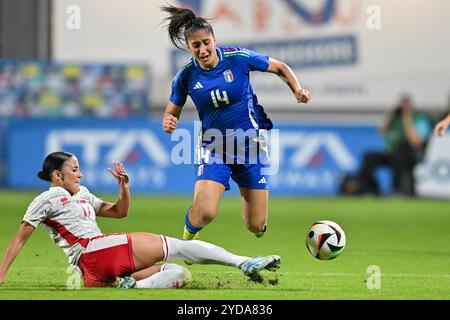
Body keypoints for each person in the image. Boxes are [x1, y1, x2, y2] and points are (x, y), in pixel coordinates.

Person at [0, 151, 281, 288]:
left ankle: (133, 285)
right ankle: (244, 262)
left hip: (97, 268)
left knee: (178, 273)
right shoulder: (45, 199)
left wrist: (124, 190)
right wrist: (1, 274)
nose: (80, 174)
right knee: (178, 246)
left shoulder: (82, 193)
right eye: (74, 169)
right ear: (57, 176)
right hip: (91, 251)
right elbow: (20, 237)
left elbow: (119, 213)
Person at [161, 5, 311, 244]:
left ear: (214, 40)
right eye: (196, 45)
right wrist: (169, 121)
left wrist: (297, 90)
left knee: (256, 225)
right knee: (206, 212)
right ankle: (188, 237)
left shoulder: (238, 59)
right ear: (188, 47)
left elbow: (280, 67)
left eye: (206, 42)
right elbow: (172, 110)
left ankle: (257, 220)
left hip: (251, 147)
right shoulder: (186, 76)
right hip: (214, 148)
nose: (203, 49)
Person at [355, 96, 431, 196]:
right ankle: (370, 190)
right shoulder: (395, 120)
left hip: (410, 155)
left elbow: (416, 142)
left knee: (400, 153)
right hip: (390, 153)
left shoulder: (419, 119)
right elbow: (382, 133)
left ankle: (398, 190)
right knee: (369, 157)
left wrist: (407, 119)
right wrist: (390, 116)